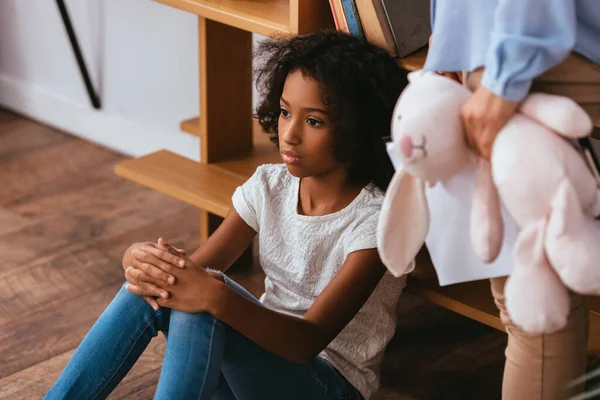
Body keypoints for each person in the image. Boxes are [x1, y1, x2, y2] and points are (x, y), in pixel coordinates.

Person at [45, 30, 411, 400]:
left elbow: (306, 342)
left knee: (206, 293)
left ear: (358, 130)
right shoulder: (270, 186)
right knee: (175, 286)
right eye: (285, 112)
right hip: (248, 373)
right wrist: (141, 263)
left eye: (313, 121)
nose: (289, 134)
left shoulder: (376, 220)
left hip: (325, 385)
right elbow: (189, 273)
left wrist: (213, 296)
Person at [425, 1, 600, 398]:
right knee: (532, 298)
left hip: (537, 46)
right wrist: (451, 36)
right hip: (500, 45)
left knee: (534, 305)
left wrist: (507, 69)